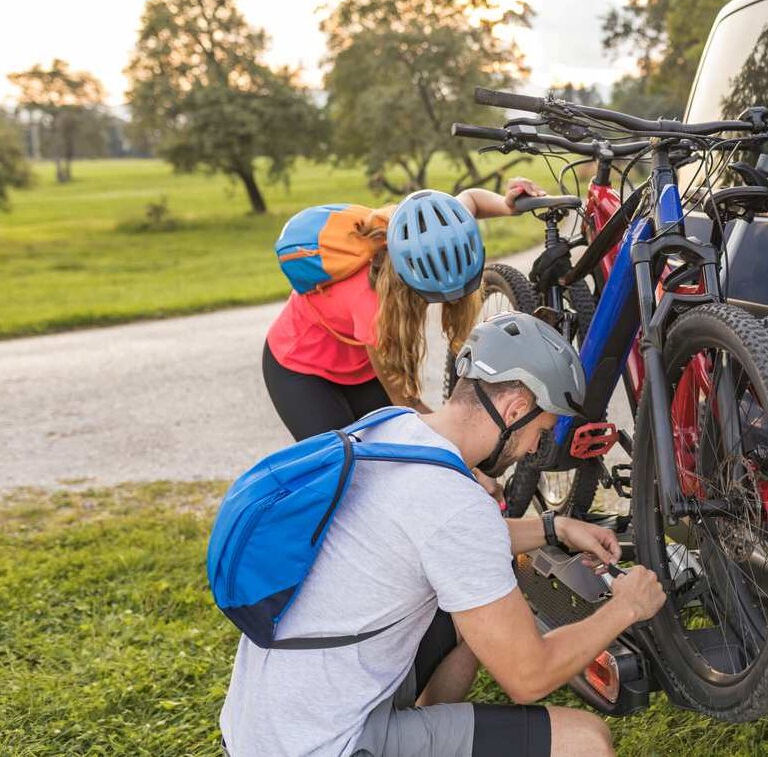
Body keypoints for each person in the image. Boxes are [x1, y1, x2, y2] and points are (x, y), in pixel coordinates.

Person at [221, 312, 667, 757]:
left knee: (472, 606)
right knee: (584, 742)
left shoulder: (393, 428)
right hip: (322, 745)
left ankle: (420, 727)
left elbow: (447, 539)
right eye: (541, 431)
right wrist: (626, 607)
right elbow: (528, 676)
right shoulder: (453, 505)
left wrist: (555, 526)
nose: (535, 448)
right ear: (515, 410)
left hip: (264, 726)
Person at [262, 178, 547, 442]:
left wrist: (506, 205)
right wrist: (466, 452)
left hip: (361, 371)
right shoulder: (371, 306)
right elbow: (406, 404)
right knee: (343, 462)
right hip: (301, 368)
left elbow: (470, 199)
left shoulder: (432, 226)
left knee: (394, 455)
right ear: (406, 278)